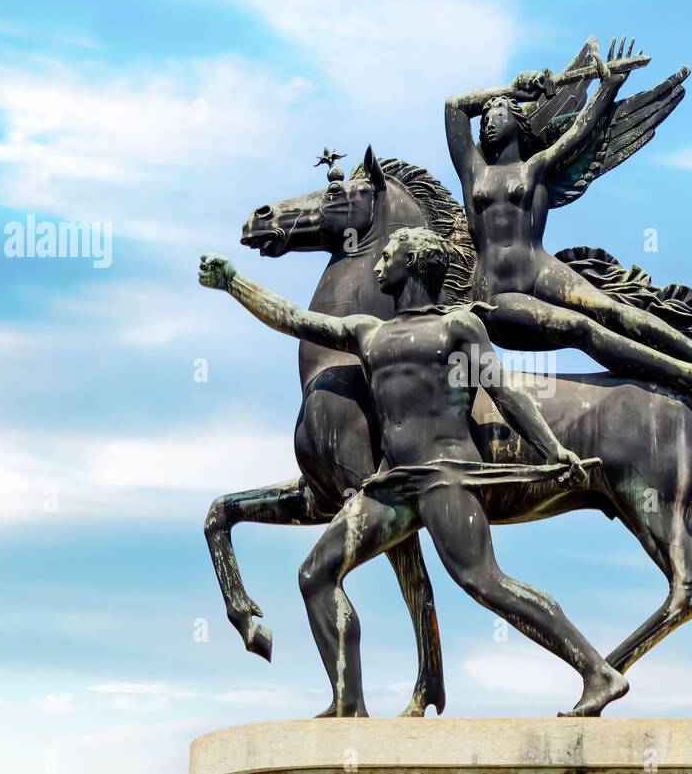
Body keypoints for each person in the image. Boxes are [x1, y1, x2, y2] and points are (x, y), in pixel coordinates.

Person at [197, 228, 629, 717]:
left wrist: (553, 450)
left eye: (388, 255)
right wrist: (234, 283)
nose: (377, 263)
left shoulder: (459, 328)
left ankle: (598, 671)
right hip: (390, 485)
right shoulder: (367, 332)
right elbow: (295, 319)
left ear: (415, 262)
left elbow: (506, 393)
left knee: (485, 582)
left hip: (445, 475)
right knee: (316, 574)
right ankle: (349, 705)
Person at [444, 36, 692, 399]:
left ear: (519, 126)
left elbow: (580, 133)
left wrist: (608, 89)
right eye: (487, 116)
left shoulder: (535, 168)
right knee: (583, 328)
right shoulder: (473, 172)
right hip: (498, 290)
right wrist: (513, 90)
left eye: (500, 114)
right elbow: (454, 107)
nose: (489, 122)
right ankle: (689, 373)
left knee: (612, 308)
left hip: (539, 270)